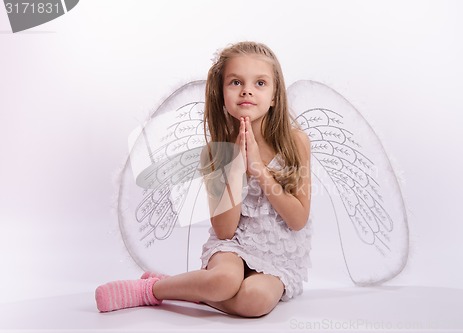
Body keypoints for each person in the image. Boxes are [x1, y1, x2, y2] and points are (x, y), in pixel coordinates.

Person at [95, 41, 312, 318]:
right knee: (224, 280)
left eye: (260, 83)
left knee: (254, 301)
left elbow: (298, 220)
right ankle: (152, 291)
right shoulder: (216, 152)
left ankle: (189, 290)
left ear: (274, 97)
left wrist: (258, 169)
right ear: (221, 94)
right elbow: (224, 230)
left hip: (279, 256)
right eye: (236, 82)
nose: (247, 90)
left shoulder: (295, 142)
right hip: (233, 247)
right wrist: (235, 163)